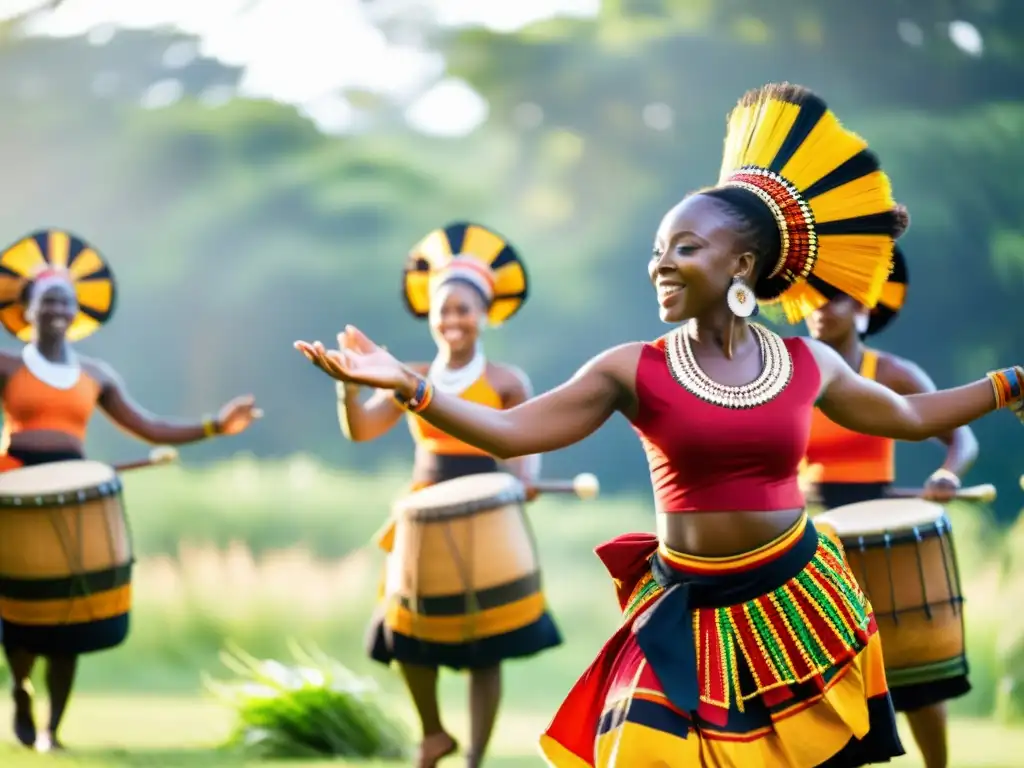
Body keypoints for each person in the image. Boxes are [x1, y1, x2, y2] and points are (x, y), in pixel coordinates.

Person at [297, 83, 1023, 767]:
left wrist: (1008, 384)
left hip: (799, 601)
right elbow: (511, 432)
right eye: (656, 251)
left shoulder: (807, 364)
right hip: (685, 611)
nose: (661, 266)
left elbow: (907, 415)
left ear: (742, 263)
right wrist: (412, 387)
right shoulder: (631, 369)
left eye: (684, 249)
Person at [0, 229, 261, 753]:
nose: (55, 310)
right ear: (26, 309)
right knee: (19, 612)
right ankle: (22, 690)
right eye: (46, 300)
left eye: (64, 302)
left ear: (77, 313)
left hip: (74, 493)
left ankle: (54, 729)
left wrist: (214, 425)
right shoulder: (5, 364)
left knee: (66, 615)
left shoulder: (95, 374)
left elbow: (150, 427)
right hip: (15, 488)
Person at [335, 222, 561, 768]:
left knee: (487, 646)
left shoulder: (507, 379)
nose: (453, 319)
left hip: (488, 511)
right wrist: (348, 384)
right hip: (422, 509)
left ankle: (475, 757)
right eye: (444, 309)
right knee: (405, 631)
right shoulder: (406, 375)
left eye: (464, 309)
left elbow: (522, 442)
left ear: (484, 315)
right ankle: (432, 733)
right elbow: (361, 431)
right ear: (430, 315)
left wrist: (523, 477)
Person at [801, 241, 978, 768]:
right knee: (824, 683)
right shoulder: (792, 370)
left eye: (831, 298)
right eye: (810, 298)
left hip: (881, 531)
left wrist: (947, 474)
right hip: (814, 536)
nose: (816, 309)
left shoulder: (893, 372)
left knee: (918, 680)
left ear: (863, 304)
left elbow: (959, 438)